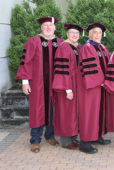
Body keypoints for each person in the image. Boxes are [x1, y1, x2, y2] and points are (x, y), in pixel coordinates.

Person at [16, 16, 62, 153]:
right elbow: (26, 62)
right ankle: (35, 140)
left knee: (53, 110)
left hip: (55, 85)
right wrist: (25, 82)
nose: (48, 27)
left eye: (50, 25)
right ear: (41, 27)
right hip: (37, 85)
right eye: (45, 25)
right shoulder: (33, 41)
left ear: (55, 27)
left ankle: (50, 135)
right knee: (37, 110)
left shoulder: (59, 43)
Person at [78, 22, 111, 154]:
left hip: (101, 87)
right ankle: (85, 143)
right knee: (89, 113)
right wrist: (101, 81)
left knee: (99, 112)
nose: (97, 35)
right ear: (90, 34)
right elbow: (91, 67)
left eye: (99, 33)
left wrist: (108, 81)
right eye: (95, 32)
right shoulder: (87, 47)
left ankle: (97, 136)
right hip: (91, 87)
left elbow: (108, 65)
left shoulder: (102, 47)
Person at [52, 24, 84, 150]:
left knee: (74, 113)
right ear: (67, 34)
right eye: (72, 33)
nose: (75, 35)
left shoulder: (78, 47)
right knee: (66, 113)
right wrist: (68, 89)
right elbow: (62, 69)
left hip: (77, 87)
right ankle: (66, 141)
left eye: (77, 33)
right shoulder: (63, 47)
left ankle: (73, 138)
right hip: (67, 87)